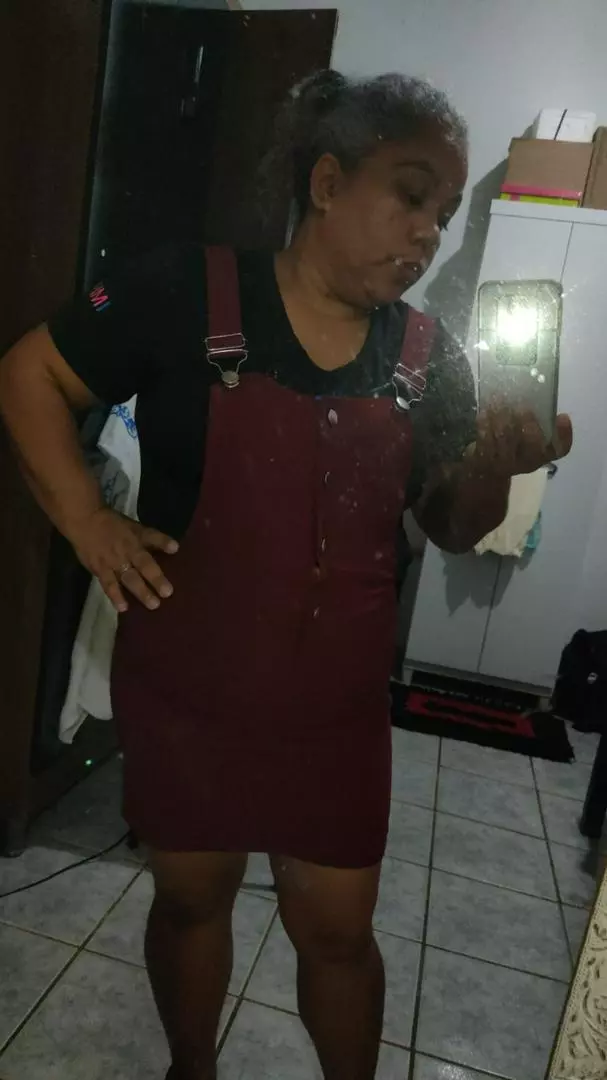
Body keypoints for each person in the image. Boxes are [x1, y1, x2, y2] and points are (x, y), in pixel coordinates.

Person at [0, 70, 572, 1080]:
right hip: (188, 693)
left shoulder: (428, 353)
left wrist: (492, 468)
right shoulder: (185, 292)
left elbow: (450, 526)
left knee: (339, 934)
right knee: (190, 900)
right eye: (409, 196)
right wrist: (86, 520)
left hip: (332, 714)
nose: (427, 234)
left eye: (443, 213)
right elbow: (31, 372)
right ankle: (190, 1069)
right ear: (327, 182)